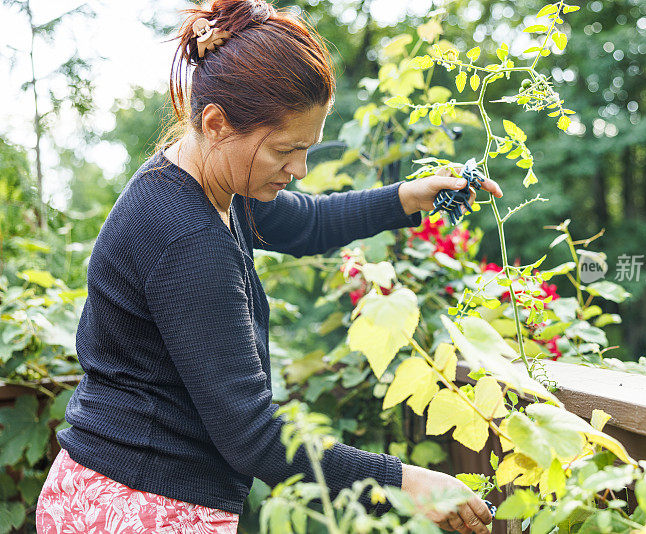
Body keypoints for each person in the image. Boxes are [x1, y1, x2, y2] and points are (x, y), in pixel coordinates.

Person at [35, 0, 503, 532]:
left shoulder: (216, 182)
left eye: (308, 149)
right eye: (286, 150)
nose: (299, 170)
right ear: (216, 123)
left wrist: (409, 197)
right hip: (136, 505)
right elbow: (254, 435)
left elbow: (309, 222)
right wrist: (402, 481)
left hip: (131, 489)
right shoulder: (186, 237)